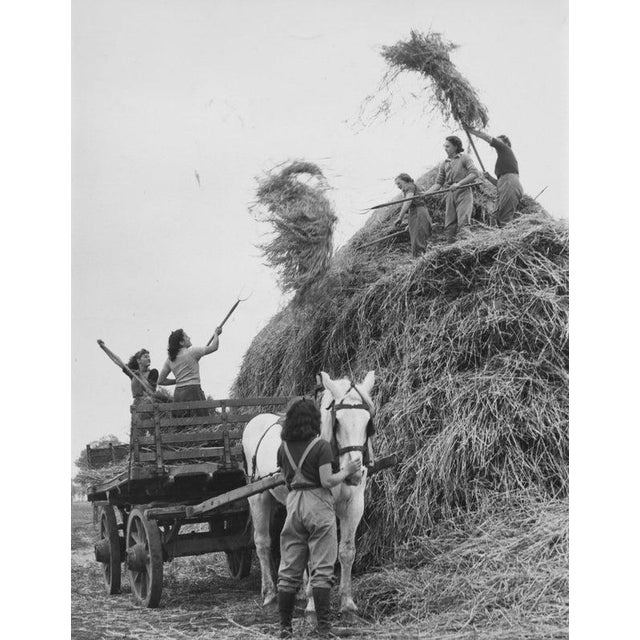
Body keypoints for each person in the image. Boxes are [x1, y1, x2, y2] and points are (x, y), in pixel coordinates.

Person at [277, 398, 361, 639]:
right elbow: (327, 480)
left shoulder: (283, 448)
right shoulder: (321, 446)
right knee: (322, 568)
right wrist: (348, 470)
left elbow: (286, 479)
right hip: (318, 505)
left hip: (293, 504)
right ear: (314, 420)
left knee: (290, 568)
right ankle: (324, 628)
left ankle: (285, 628)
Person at [426, 135, 480, 242]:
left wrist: (459, 184)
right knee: (450, 223)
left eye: (448, 146)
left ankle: (465, 244)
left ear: (455, 146)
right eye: (444, 146)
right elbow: (438, 183)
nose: (445, 149)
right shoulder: (444, 163)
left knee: (463, 220)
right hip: (450, 193)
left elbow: (474, 173)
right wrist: (426, 193)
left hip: (464, 191)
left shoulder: (464, 158)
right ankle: (450, 247)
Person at [466, 128, 523, 226]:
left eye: (499, 142)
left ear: (507, 144)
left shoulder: (506, 149)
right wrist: (489, 178)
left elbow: (488, 138)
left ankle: (505, 239)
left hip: (510, 184)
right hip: (505, 185)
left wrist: (470, 130)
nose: (496, 145)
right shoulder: (503, 160)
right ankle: (498, 237)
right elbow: (500, 183)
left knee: (504, 218)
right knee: (494, 216)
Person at [157, 328, 222, 404]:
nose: (189, 338)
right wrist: (216, 334)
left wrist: (178, 380)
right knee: (199, 415)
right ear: (181, 342)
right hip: (193, 391)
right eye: (186, 336)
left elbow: (161, 381)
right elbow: (214, 347)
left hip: (178, 393)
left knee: (183, 416)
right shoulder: (192, 352)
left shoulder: (170, 360)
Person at [393, 173, 432, 257]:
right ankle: (419, 260)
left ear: (405, 181)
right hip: (416, 212)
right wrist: (410, 223)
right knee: (416, 238)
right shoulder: (410, 187)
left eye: (399, 183)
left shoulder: (409, 186)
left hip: (418, 212)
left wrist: (400, 217)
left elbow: (408, 201)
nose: (398, 186)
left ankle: (420, 261)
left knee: (418, 239)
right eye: (397, 184)